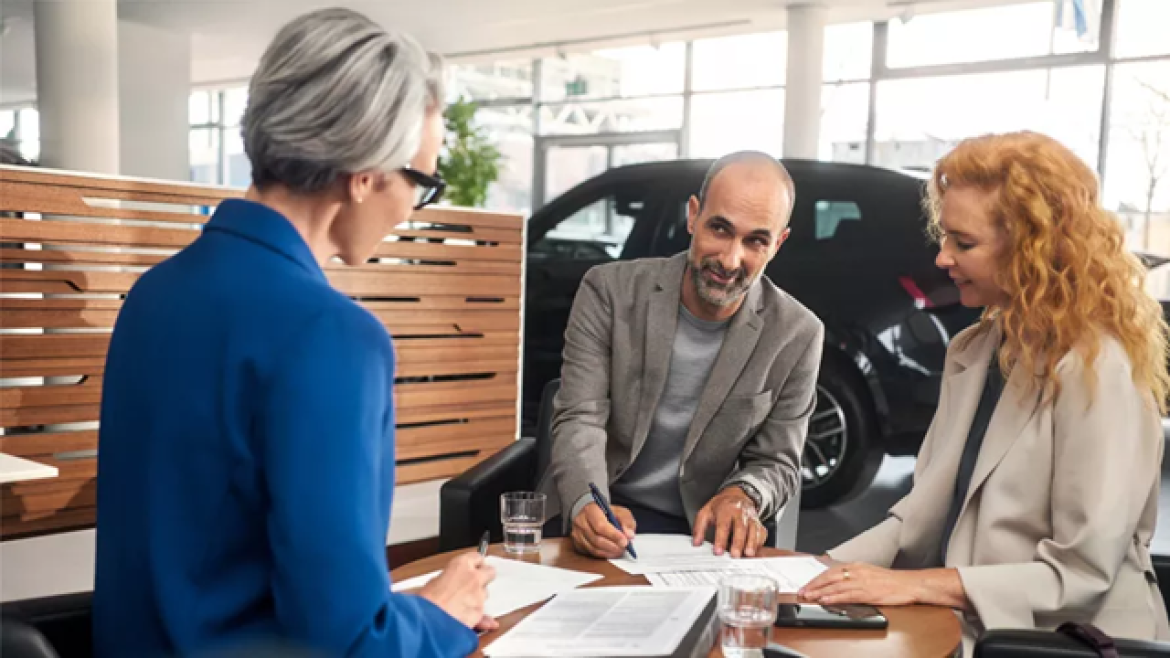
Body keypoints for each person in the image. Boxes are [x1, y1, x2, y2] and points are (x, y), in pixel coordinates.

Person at [93, 8, 494, 657]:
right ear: (366, 174)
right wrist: (443, 615)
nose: (414, 209)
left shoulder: (152, 295)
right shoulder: (333, 336)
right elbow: (349, 643)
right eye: (423, 182)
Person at [799, 131, 1170, 648]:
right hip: (971, 626)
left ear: (1032, 247)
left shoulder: (1099, 368)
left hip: (1064, 641)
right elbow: (920, 515)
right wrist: (818, 571)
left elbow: (1080, 572)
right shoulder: (974, 349)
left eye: (963, 243)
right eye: (945, 237)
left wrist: (912, 584)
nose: (942, 259)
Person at [540, 151, 824, 560]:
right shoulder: (608, 291)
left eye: (755, 241)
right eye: (720, 229)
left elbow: (778, 461)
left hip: (697, 536)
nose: (730, 260)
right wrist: (588, 504)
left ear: (777, 244)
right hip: (598, 507)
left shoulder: (798, 333)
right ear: (693, 216)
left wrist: (743, 495)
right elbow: (579, 416)